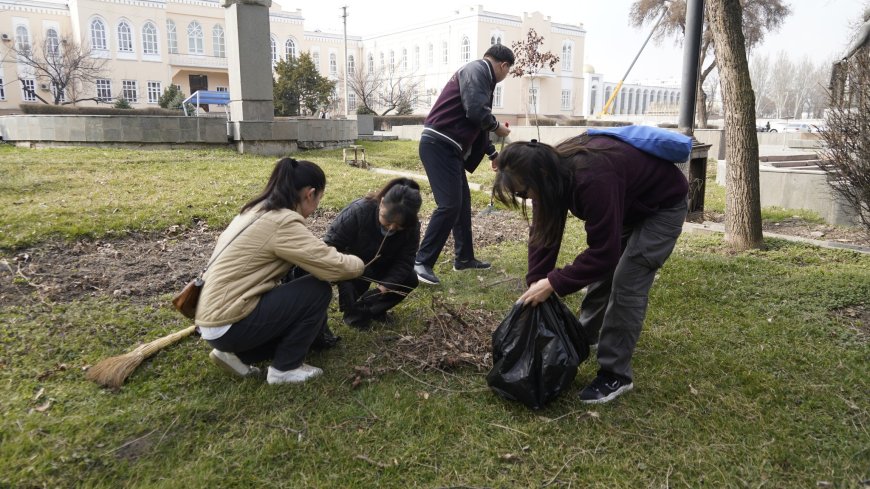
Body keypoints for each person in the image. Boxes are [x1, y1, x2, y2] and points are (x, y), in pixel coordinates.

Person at [492, 134, 689, 404]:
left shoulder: (591, 176)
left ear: (540, 176)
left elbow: (603, 254)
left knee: (626, 283)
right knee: (602, 279)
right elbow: (543, 234)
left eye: (522, 193)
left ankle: (616, 375)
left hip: (661, 207)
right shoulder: (547, 173)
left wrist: (552, 284)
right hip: (626, 203)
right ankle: (583, 337)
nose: (524, 198)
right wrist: (536, 281)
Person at [195, 158, 364, 385]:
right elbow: (332, 266)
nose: (316, 209)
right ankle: (285, 369)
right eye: (319, 199)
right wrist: (360, 263)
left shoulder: (256, 210)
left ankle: (236, 355)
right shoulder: (283, 223)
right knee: (317, 290)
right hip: (229, 321)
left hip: (212, 321)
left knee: (289, 295)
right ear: (309, 194)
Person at [413, 44, 514, 286]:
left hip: (450, 148)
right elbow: (477, 113)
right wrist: (498, 127)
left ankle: (464, 258)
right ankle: (421, 262)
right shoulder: (477, 70)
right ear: (504, 66)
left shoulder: (483, 78)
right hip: (439, 144)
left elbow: (476, 125)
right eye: (508, 71)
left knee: (462, 205)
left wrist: (492, 154)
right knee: (449, 205)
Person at [324, 178, 422, 330]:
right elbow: (330, 244)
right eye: (387, 221)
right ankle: (353, 314)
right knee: (353, 282)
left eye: (399, 227)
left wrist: (383, 288)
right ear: (381, 203)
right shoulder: (359, 211)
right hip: (352, 262)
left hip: (384, 263)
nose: (391, 228)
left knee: (409, 279)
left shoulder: (412, 227)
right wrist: (346, 269)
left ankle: (373, 310)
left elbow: (405, 260)